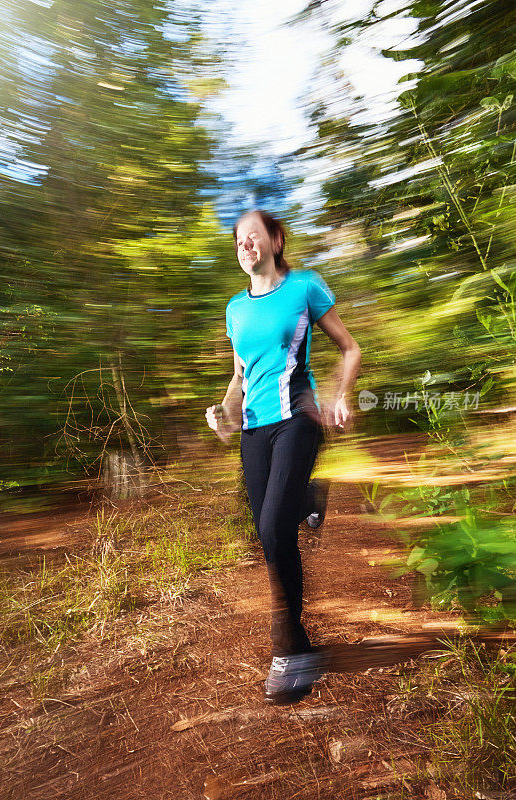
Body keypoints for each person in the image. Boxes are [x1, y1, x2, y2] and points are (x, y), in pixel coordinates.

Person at [206, 210, 361, 704]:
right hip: (254, 429)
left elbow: (350, 348)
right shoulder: (235, 308)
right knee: (268, 533)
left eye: (254, 236)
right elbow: (241, 374)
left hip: (298, 416)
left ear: (275, 240)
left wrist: (341, 396)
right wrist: (224, 412)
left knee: (274, 529)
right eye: (238, 240)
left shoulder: (305, 287)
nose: (245, 244)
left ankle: (291, 651)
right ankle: (308, 496)